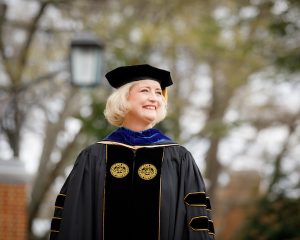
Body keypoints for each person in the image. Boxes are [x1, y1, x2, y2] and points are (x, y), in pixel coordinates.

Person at [49, 64, 215, 240]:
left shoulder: (179, 158)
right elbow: (73, 219)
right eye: (145, 91)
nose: (154, 98)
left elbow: (197, 223)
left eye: (158, 93)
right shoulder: (94, 156)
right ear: (124, 99)